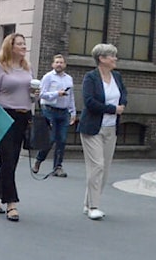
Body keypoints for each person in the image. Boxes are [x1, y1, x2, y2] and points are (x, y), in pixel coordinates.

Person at [0, 33, 36, 222]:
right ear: (10, 47)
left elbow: (31, 95)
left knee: (10, 161)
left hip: (23, 117)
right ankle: (11, 203)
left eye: (24, 43)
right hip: (4, 117)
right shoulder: (0, 69)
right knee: (8, 159)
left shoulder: (27, 69)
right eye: (19, 44)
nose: (23, 46)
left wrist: (35, 95)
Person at [78, 43, 127, 221]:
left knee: (104, 169)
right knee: (96, 165)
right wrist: (112, 109)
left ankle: (87, 202)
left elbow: (124, 94)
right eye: (112, 56)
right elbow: (89, 102)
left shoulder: (117, 77)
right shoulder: (90, 78)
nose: (115, 59)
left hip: (111, 128)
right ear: (102, 59)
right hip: (92, 128)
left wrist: (122, 106)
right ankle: (94, 206)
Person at [33, 54, 76, 177]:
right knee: (50, 139)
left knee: (61, 140)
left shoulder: (69, 79)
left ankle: (58, 167)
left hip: (63, 111)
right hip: (49, 110)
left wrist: (73, 112)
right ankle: (39, 160)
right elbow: (41, 94)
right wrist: (57, 94)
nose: (59, 64)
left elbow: (71, 96)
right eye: (57, 62)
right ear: (53, 64)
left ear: (65, 65)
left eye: (61, 62)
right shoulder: (48, 77)